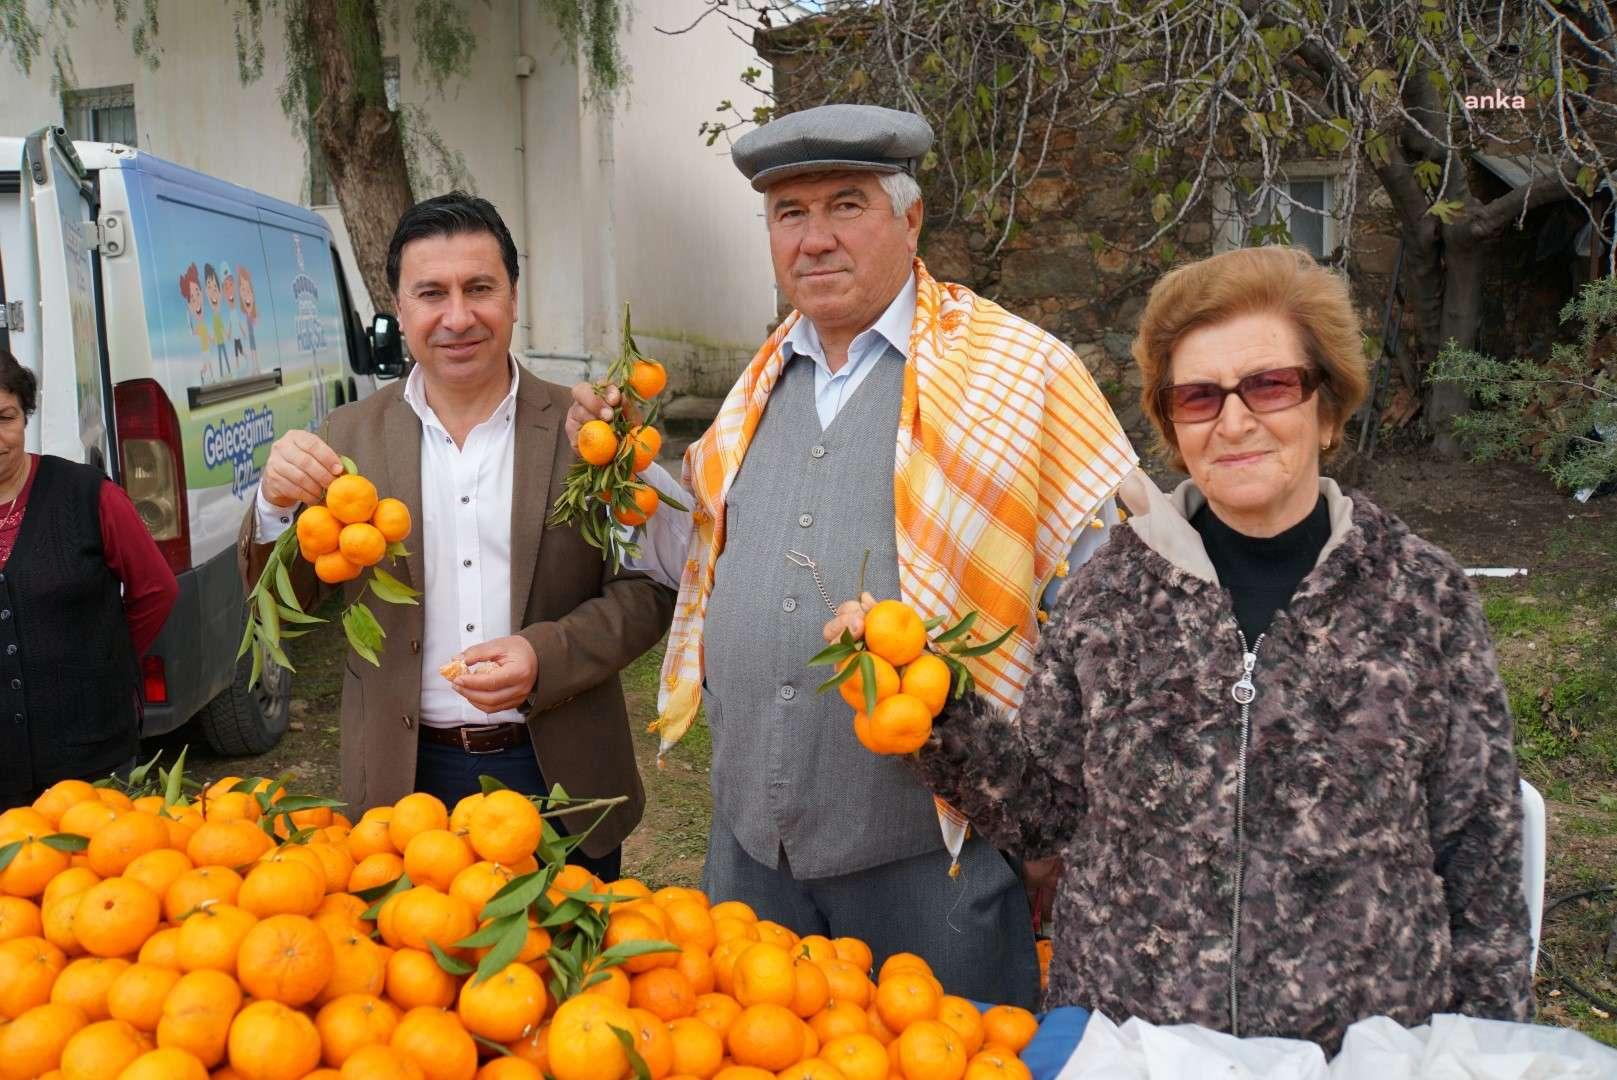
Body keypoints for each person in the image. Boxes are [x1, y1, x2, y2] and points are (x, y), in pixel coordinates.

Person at [566, 104, 1136, 1005]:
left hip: (935, 859)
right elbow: (702, 564)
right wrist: (624, 476)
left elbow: (1108, 609)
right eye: (789, 214)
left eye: (846, 204)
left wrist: (1059, 827)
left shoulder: (1020, 373)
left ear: (910, 219)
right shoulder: (755, 388)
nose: (815, 239)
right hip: (753, 852)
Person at [905, 245, 1533, 1048]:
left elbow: (1478, 858)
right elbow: (1042, 816)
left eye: (1268, 385)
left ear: (1327, 408)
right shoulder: (1109, 594)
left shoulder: (1423, 597)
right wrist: (930, 708)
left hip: (1362, 1051)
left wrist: (1486, 1056)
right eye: (1199, 397)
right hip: (1135, 1044)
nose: (1234, 421)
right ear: (1172, 426)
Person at [239, 193, 674, 880]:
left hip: (559, 770)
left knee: (565, 983)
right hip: (401, 778)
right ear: (400, 308)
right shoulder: (345, 439)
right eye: (431, 293)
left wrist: (545, 655)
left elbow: (647, 592)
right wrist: (271, 505)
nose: (458, 317)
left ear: (513, 296)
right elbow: (291, 604)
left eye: (479, 289)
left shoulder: (588, 432)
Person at [0, 349, 180, 810]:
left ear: (25, 418)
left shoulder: (87, 494)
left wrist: (104, 656)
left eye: (6, 417)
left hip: (91, 757)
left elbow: (156, 589)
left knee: (107, 873)